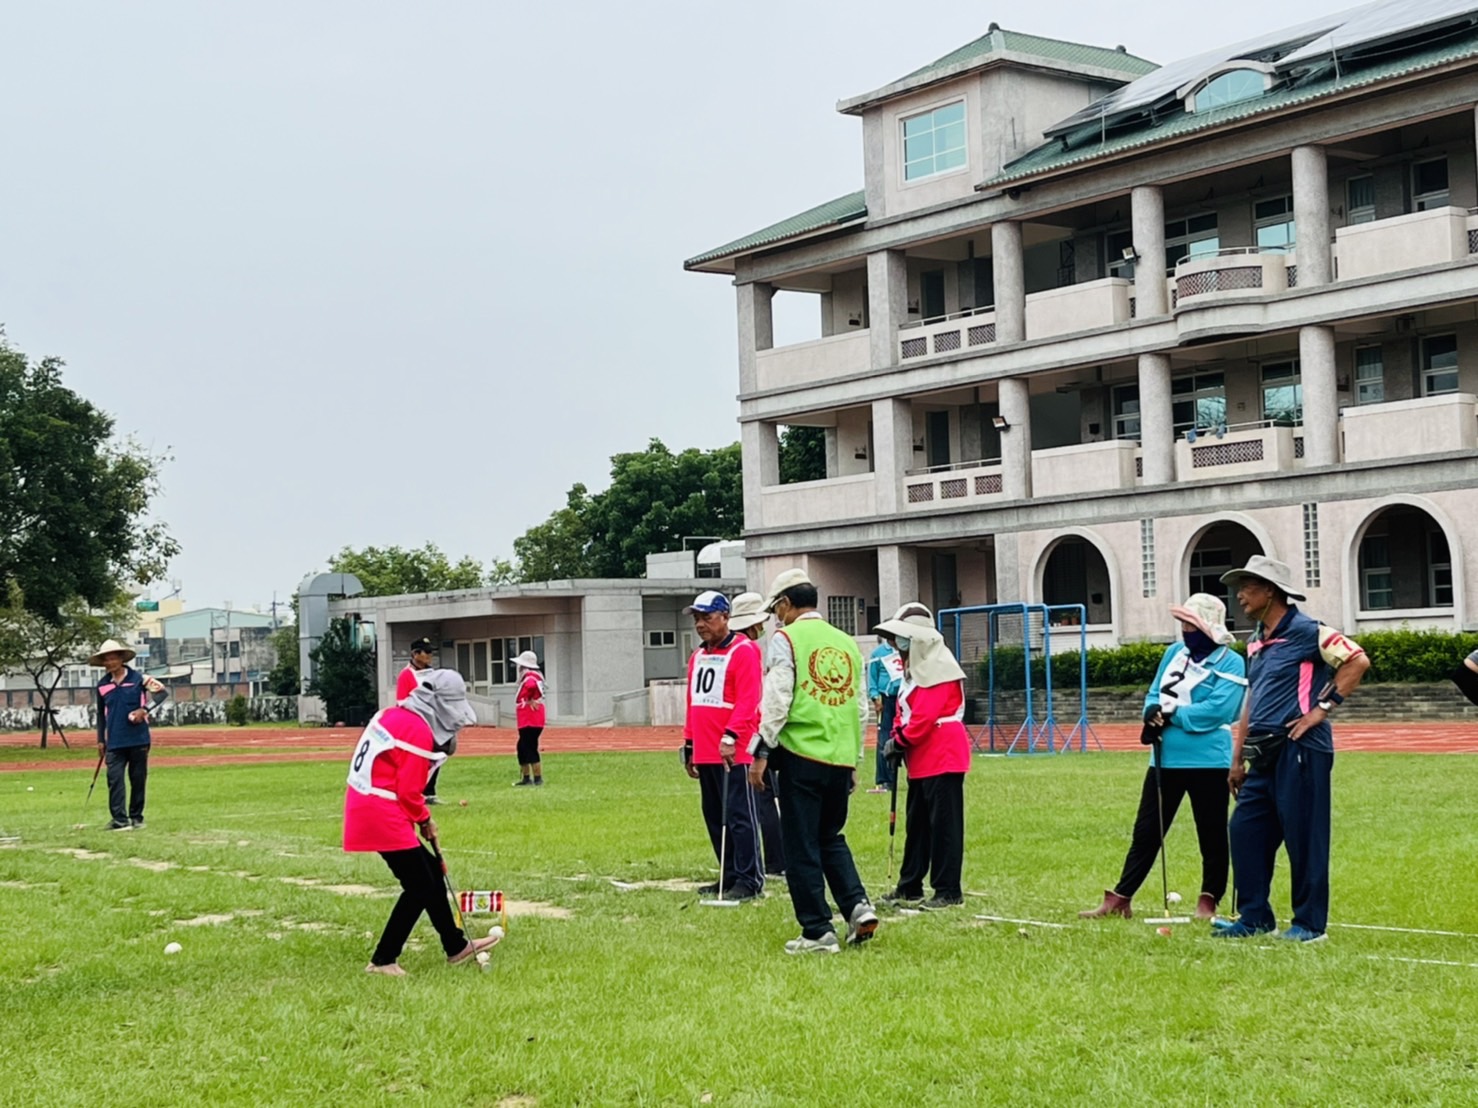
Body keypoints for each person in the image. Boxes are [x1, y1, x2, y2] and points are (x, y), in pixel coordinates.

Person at [1212, 555, 1370, 943]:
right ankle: (1254, 918)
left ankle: (1310, 925)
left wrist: (1322, 709)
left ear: (1270, 591)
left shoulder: (1307, 630)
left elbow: (1356, 659)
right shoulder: (1255, 643)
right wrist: (1236, 760)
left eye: (1247, 588)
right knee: (1244, 829)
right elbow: (1252, 702)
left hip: (1301, 748)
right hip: (1261, 753)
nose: (1240, 596)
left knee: (1304, 835)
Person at [1079, 594, 1247, 922]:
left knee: (1211, 833)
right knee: (1146, 831)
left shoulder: (1231, 662)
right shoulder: (1174, 653)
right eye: (1183, 623)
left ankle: (1209, 899)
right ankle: (1121, 897)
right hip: (1164, 758)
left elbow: (1219, 710)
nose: (1185, 630)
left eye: (1192, 624)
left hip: (1208, 762)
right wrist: (1151, 712)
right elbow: (1155, 691)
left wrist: (1171, 714)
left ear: (1208, 627)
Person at [747, 569, 877, 954]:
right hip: (839, 756)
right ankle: (857, 906)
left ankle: (817, 930)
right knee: (830, 837)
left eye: (775, 610)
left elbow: (777, 698)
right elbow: (860, 708)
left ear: (786, 604)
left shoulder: (786, 639)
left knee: (801, 844)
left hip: (802, 754)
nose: (775, 617)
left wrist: (762, 750)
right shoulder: (847, 643)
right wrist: (854, 758)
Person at [344, 668, 500, 976]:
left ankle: (455, 946)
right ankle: (383, 959)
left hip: (370, 805)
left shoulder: (394, 715)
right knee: (419, 885)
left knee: (430, 872)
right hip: (380, 811)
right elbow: (409, 792)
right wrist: (425, 820)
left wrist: (419, 819)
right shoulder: (416, 730)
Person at [874, 611, 971, 909]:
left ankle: (947, 889)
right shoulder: (912, 672)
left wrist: (900, 741)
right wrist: (895, 736)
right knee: (917, 825)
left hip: (942, 754)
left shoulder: (939, 670)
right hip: (921, 758)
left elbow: (925, 717)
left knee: (943, 826)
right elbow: (903, 711)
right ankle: (910, 884)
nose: (897, 647)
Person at [681, 590, 764, 899]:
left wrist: (730, 735)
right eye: (697, 619)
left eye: (707, 617)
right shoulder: (698, 656)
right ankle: (728, 875)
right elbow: (693, 702)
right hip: (705, 749)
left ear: (725, 617)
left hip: (734, 751)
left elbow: (749, 699)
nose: (701, 624)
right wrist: (689, 743)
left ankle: (749, 879)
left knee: (740, 817)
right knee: (715, 816)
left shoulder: (744, 650)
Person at [728, 591, 785, 877]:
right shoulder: (747, 649)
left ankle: (774, 861)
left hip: (752, 734)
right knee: (765, 799)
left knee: (761, 800)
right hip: (757, 732)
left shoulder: (743, 650)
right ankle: (775, 860)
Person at [92, 639, 168, 831]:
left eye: (113, 658)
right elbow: (101, 714)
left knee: (138, 779)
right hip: (114, 741)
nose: (110, 663)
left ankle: (136, 817)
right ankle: (119, 819)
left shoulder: (138, 678)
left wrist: (144, 710)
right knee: (114, 779)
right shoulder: (102, 685)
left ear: (121, 659)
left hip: (138, 738)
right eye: (106, 660)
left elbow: (161, 693)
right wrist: (101, 739)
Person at [397, 637, 444, 803]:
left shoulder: (432, 673)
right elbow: (402, 702)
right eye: (426, 652)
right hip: (416, 722)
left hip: (433, 721)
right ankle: (417, 791)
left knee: (437, 754)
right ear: (415, 654)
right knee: (418, 758)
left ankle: (430, 791)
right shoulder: (406, 675)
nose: (430, 656)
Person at [866, 637, 904, 794]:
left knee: (908, 736)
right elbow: (872, 678)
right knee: (884, 738)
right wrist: (875, 697)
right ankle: (885, 780)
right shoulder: (878, 653)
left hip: (904, 698)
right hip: (886, 699)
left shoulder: (905, 649)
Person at [512, 650, 546, 786]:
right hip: (530, 718)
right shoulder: (536, 676)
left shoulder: (530, 677)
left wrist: (529, 698)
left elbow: (530, 686)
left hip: (530, 719)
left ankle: (536, 778)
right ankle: (528, 777)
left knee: (528, 747)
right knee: (523, 747)